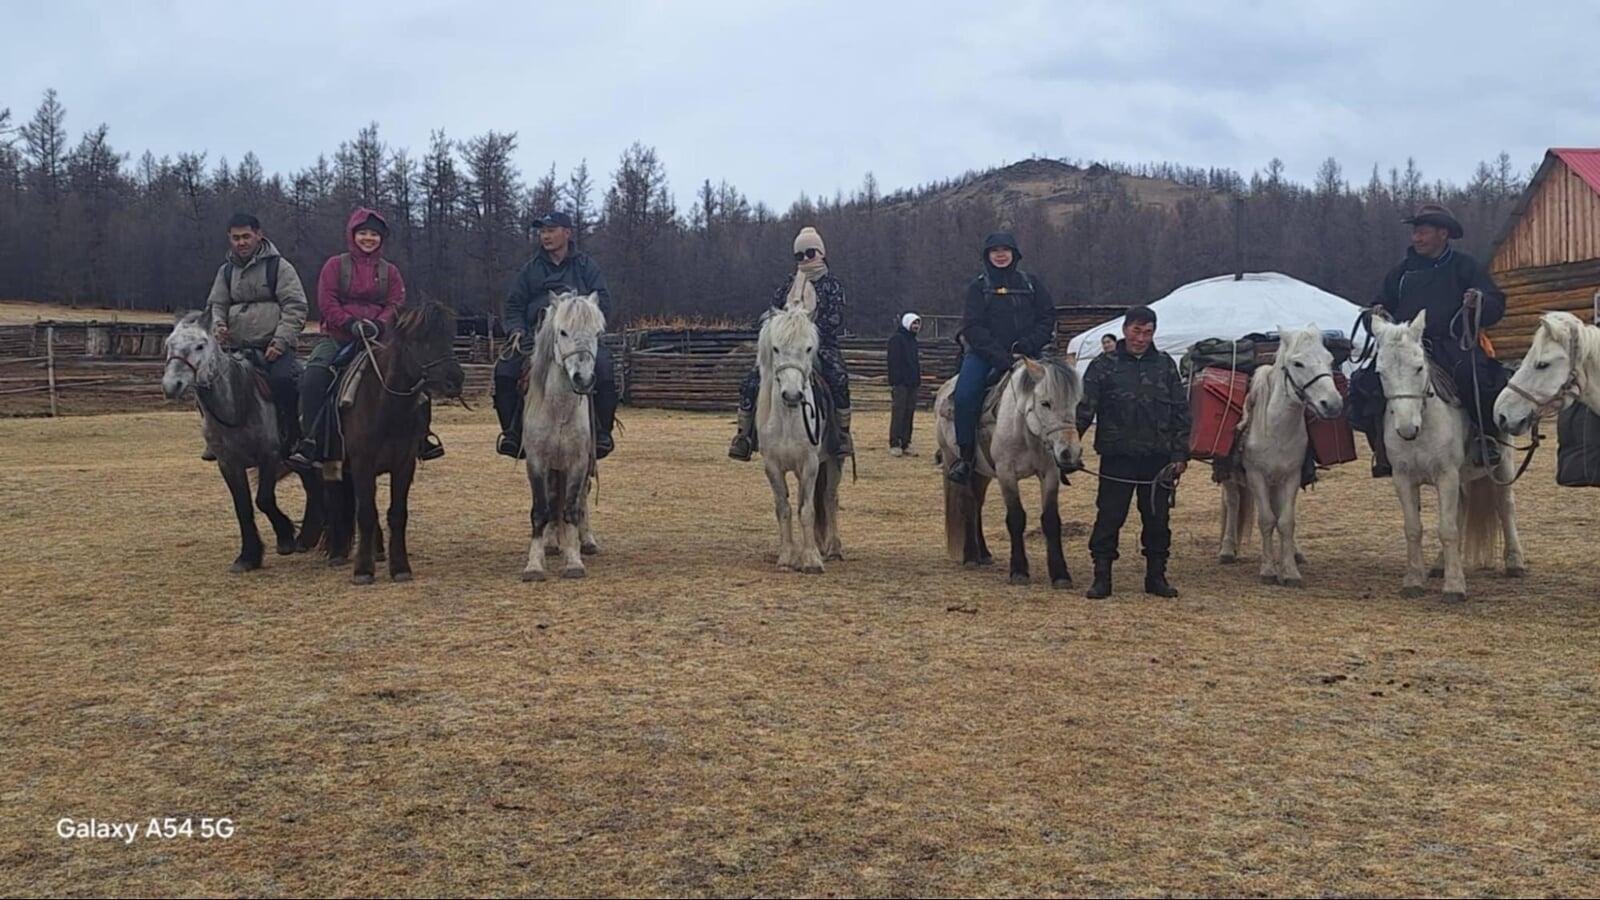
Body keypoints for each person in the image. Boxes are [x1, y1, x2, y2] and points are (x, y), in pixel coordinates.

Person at [1351, 203, 1508, 476]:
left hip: (1451, 345)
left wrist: (1479, 301)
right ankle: (1382, 449)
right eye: (1416, 233)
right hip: (1405, 348)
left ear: (1443, 234)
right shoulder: (1400, 273)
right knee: (1365, 385)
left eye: (1423, 233)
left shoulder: (1465, 267)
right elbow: (1377, 307)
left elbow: (1495, 304)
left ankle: (1486, 438)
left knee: (1476, 378)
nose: (1416, 239)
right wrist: (1374, 314)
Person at [287, 208, 440, 470]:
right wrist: (349, 323)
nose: (368, 238)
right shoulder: (335, 265)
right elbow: (327, 301)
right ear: (352, 235)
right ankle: (310, 440)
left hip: (380, 338)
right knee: (314, 376)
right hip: (338, 337)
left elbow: (395, 302)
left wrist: (378, 325)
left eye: (374, 234)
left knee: (415, 376)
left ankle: (422, 437)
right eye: (363, 233)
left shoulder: (390, 272)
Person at [1075, 305, 1190, 600]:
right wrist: (1071, 445)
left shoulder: (1165, 365)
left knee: (1157, 519)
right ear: (1125, 330)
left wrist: (1180, 454)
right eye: (1137, 331)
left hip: (1157, 458)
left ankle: (1156, 576)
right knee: (1110, 517)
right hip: (1117, 456)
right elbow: (1085, 409)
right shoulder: (1104, 365)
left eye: (1148, 332)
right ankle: (1102, 578)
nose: (1142, 338)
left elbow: (1180, 411)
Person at [495, 211, 617, 459]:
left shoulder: (586, 266)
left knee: (604, 368)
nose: (546, 236)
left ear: (567, 233)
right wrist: (517, 330)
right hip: (537, 337)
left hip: (577, 337)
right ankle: (512, 433)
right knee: (505, 370)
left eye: (551, 230)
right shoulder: (530, 270)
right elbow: (514, 305)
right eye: (542, 231)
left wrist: (585, 318)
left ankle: (602, 432)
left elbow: (603, 300)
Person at [729, 226, 854, 459]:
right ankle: (743, 435)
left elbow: (835, 319)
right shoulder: (788, 285)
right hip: (786, 348)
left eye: (810, 253)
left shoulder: (831, 285)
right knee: (751, 381)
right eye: (799, 255)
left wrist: (807, 332)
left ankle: (842, 434)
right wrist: (775, 329)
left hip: (820, 344)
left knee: (838, 377)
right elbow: (773, 311)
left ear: (821, 253)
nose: (805, 259)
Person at [946, 232, 1056, 484]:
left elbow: (1047, 317)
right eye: (994, 250)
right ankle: (965, 457)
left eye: (1005, 250)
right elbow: (972, 326)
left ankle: (1064, 453)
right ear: (987, 256)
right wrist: (999, 356)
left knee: (1061, 391)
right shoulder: (978, 287)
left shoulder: (1032, 284)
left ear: (1014, 254)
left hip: (1029, 353)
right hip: (985, 354)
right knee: (965, 395)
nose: (1000, 254)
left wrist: (1029, 344)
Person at [204, 212, 308, 458]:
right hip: (235, 349)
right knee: (207, 384)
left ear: (259, 235)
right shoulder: (225, 272)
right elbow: (215, 305)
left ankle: (293, 436)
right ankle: (215, 437)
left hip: (273, 348)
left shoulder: (280, 268)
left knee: (285, 382)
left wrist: (280, 342)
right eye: (235, 238)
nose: (241, 242)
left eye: (246, 236)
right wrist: (218, 327)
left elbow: (296, 306)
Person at [887, 312, 922, 456]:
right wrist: (896, 381)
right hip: (901, 383)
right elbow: (893, 362)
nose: (916, 326)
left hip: (912, 383)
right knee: (899, 413)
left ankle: (906, 442)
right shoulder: (897, 340)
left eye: (918, 324)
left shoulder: (913, 341)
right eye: (914, 323)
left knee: (909, 413)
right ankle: (895, 443)